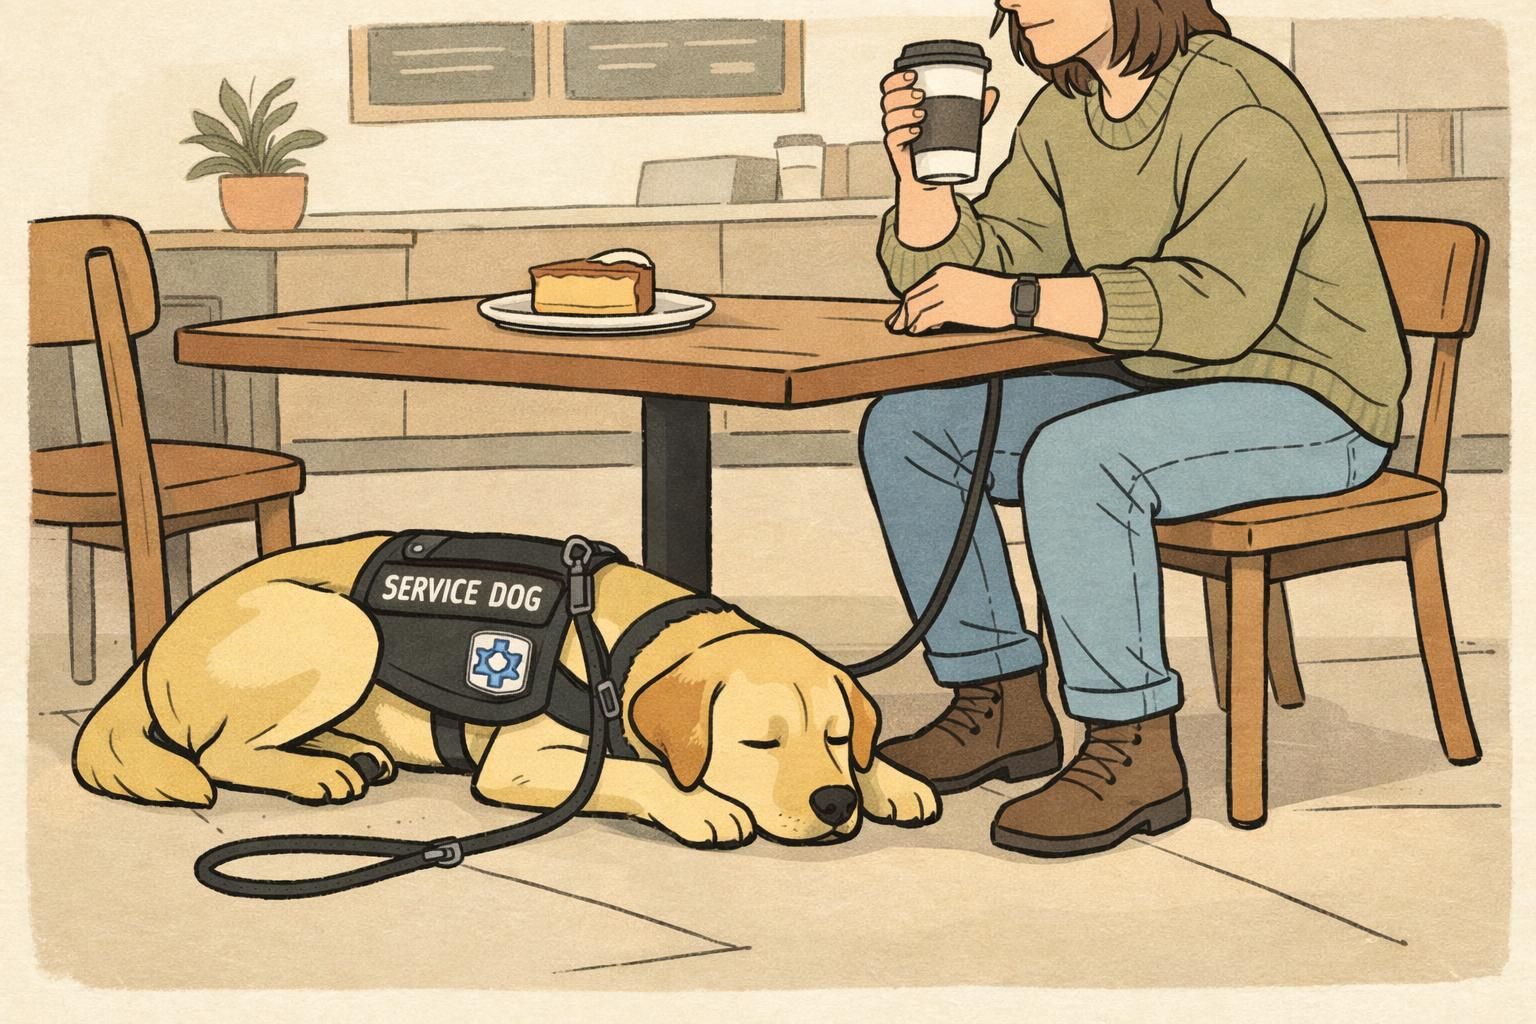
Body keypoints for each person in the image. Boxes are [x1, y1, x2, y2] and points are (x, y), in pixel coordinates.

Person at [864, 0, 1408, 856]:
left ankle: (1134, 743)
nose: (1012, 3)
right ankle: (1000, 699)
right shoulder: (1065, 113)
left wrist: (1015, 300)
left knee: (1079, 459)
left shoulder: (1239, 106)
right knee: (913, 428)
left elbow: (1217, 304)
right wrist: (921, 187)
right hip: (1157, 381)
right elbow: (1004, 252)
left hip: (1309, 400)